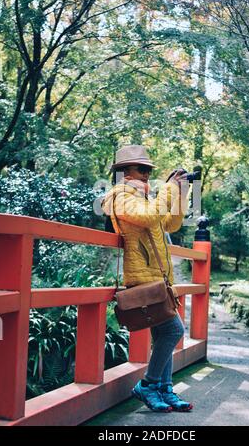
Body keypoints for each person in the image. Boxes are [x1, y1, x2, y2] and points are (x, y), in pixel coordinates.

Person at [102, 144, 193, 412]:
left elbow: (170, 224)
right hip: (142, 276)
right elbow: (149, 217)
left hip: (158, 276)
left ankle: (164, 390)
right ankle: (149, 384)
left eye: (148, 170)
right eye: (141, 169)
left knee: (163, 332)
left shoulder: (144, 197)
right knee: (173, 330)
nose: (145, 174)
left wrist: (179, 193)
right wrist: (166, 190)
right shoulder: (119, 196)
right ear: (123, 172)